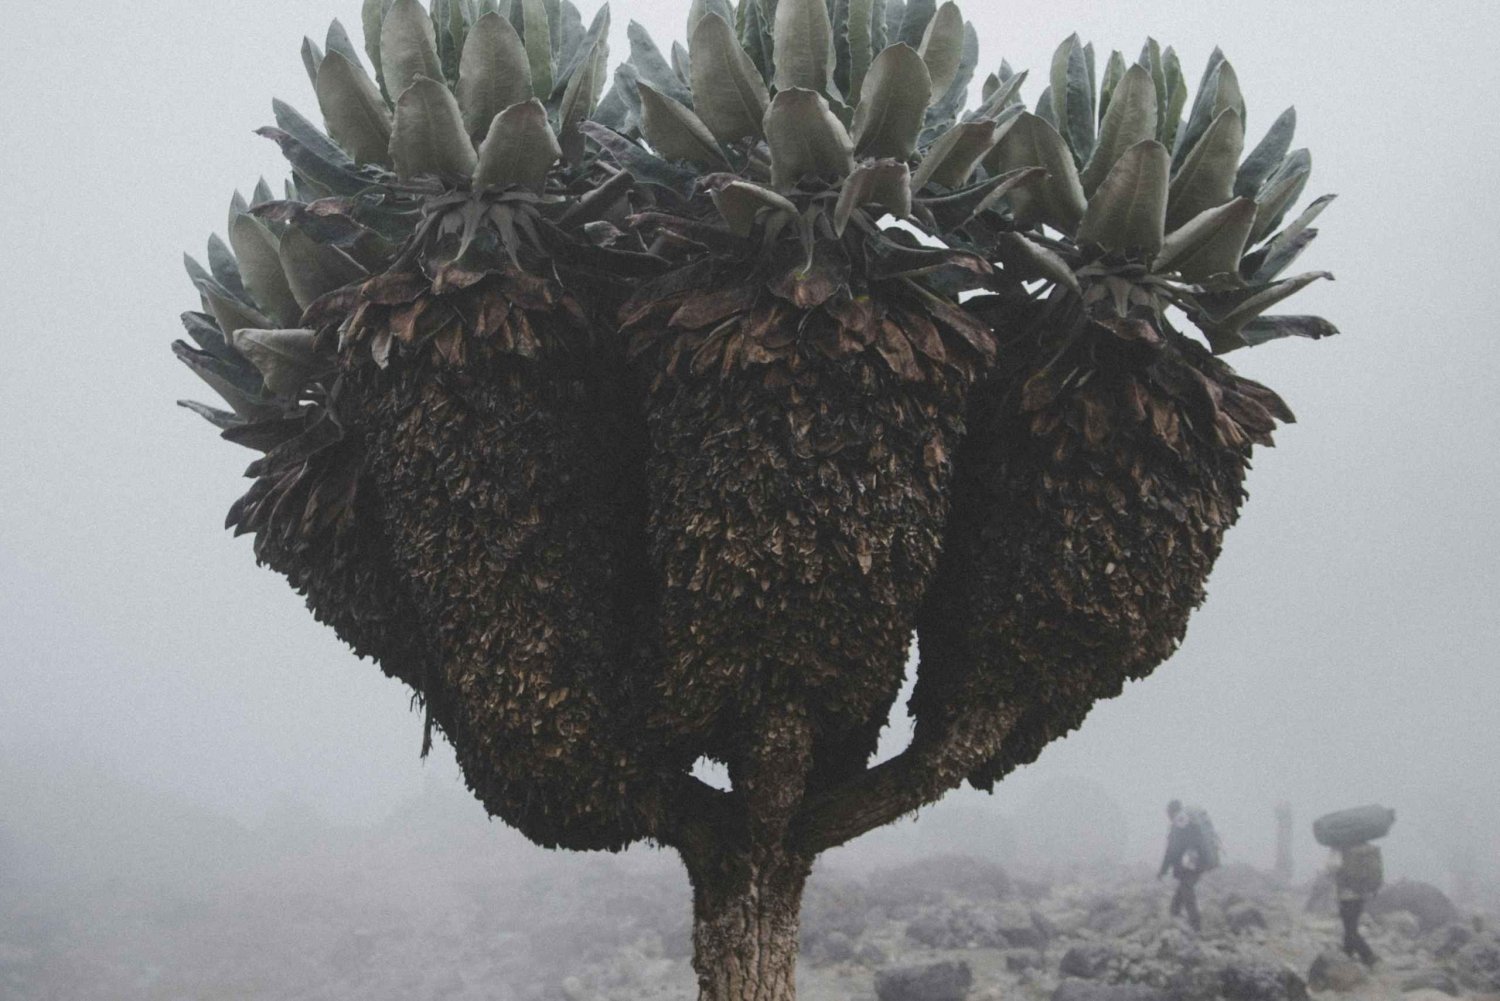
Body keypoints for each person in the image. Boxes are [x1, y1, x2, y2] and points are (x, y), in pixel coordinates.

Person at [1329, 842, 1380, 966]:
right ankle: (1347, 954)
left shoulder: (1341, 850)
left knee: (1350, 930)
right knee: (1350, 927)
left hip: (1346, 896)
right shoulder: (1363, 850)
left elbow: (1331, 868)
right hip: (1360, 895)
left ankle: (1368, 956)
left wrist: (1333, 852)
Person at [1158, 799, 1204, 932]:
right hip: (1197, 862)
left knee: (1187, 892)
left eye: (1168, 813)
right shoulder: (1189, 822)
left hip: (1187, 865)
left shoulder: (1178, 824)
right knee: (1183, 889)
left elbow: (1171, 850)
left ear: (1172, 812)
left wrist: (1163, 870)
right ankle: (1174, 912)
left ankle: (1196, 926)